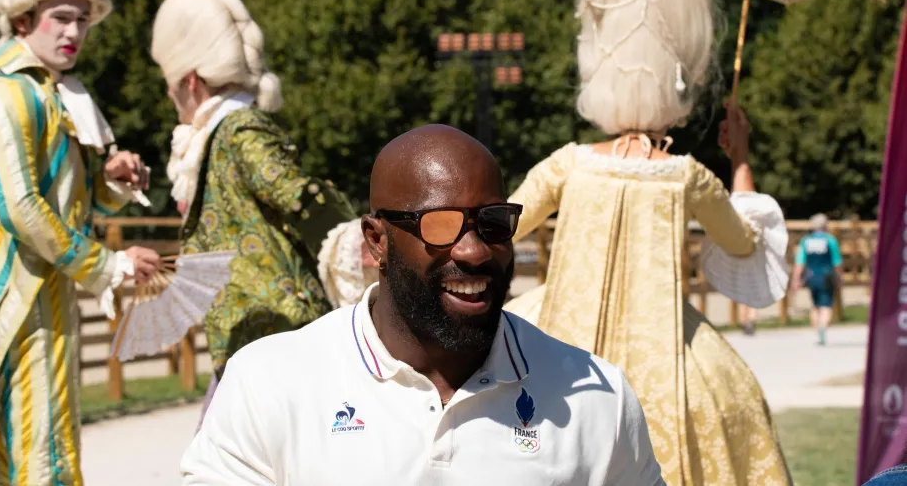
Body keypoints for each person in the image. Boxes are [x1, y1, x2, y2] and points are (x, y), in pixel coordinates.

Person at [181, 125, 665, 485]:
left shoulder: (598, 398)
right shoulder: (267, 384)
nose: (474, 250)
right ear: (376, 242)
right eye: (439, 224)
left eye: (493, 222)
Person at [503, 0, 793, 485]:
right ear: (677, 76)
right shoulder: (688, 176)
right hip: (670, 357)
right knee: (731, 411)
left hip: (554, 342)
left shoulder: (568, 164)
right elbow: (746, 241)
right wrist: (741, 159)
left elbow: (501, 225)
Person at [151, 0, 366, 426]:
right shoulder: (218, 135)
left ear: (190, 81)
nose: (169, 98)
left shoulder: (237, 128)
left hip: (278, 339)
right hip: (249, 341)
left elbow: (296, 192)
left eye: (170, 86)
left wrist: (365, 239)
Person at [0, 0, 161, 486]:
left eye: (83, 21)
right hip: (20, 307)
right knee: (46, 463)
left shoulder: (62, 94)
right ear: (24, 17)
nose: (73, 32)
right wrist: (108, 265)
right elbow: (20, 209)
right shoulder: (12, 93)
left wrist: (112, 178)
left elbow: (80, 205)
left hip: (48, 301)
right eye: (61, 17)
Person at [791, 213, 843, 346]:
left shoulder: (806, 241)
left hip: (811, 276)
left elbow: (800, 262)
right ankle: (823, 327)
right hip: (826, 275)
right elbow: (837, 262)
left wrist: (796, 279)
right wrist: (839, 277)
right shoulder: (830, 240)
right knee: (826, 304)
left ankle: (817, 330)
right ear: (825, 226)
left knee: (815, 305)